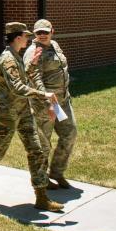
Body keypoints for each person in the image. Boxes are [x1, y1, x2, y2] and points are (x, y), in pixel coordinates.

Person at [0, 22, 64, 212]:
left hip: (23, 112)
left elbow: (20, 79)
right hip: (7, 114)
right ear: (18, 38)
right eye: (26, 36)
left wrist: (31, 65)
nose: (28, 39)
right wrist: (44, 95)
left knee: (36, 150)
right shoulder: (8, 59)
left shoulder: (16, 56)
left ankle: (41, 197)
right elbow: (16, 87)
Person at [24, 18, 78, 190]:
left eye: (45, 32)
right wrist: (48, 102)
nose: (42, 35)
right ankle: (41, 179)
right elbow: (34, 78)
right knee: (44, 143)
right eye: (39, 32)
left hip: (63, 100)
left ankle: (57, 173)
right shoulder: (34, 51)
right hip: (45, 104)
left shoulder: (54, 45)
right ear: (34, 33)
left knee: (70, 134)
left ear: (52, 31)